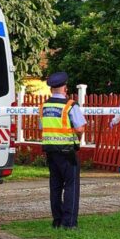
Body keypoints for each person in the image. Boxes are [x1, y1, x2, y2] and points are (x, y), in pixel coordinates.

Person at [39, 72, 87, 229]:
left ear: (52, 89)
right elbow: (80, 128)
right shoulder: (70, 105)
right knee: (71, 186)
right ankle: (69, 223)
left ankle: (57, 220)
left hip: (50, 152)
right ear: (65, 88)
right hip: (67, 152)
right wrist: (76, 138)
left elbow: (42, 127)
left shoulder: (44, 106)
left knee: (55, 186)